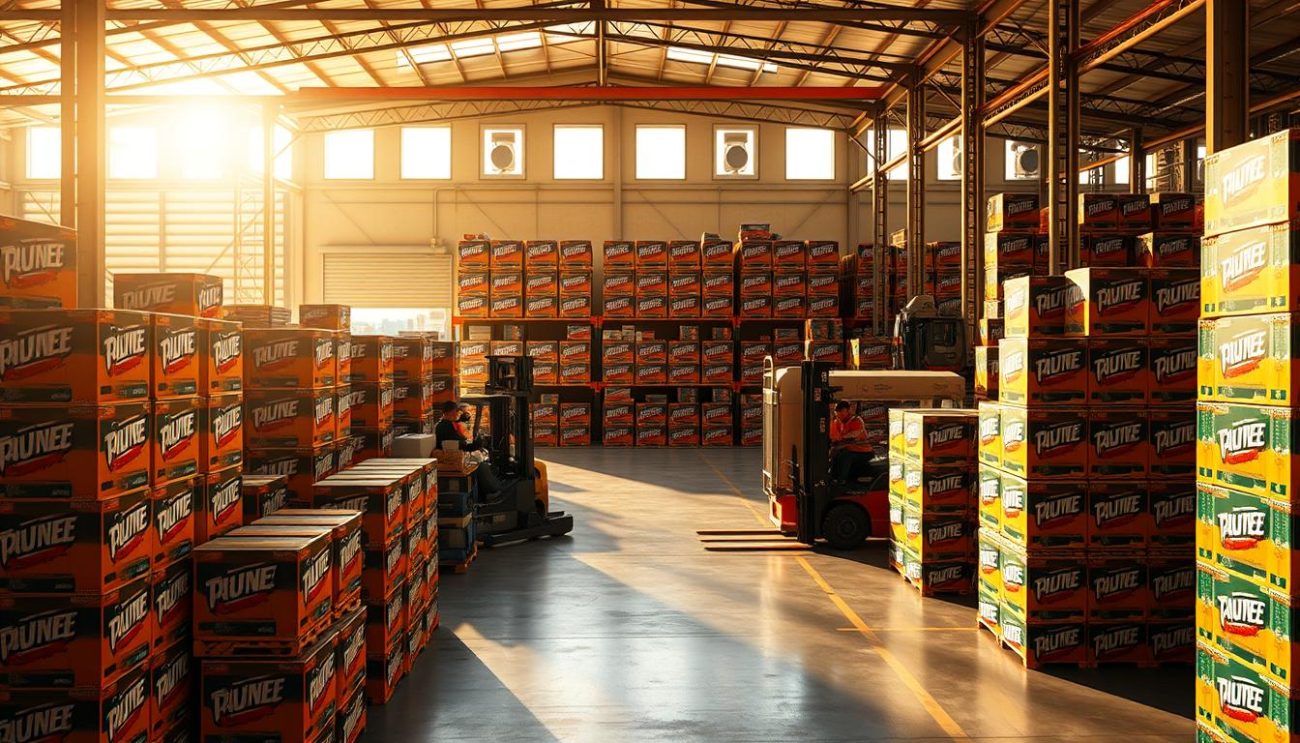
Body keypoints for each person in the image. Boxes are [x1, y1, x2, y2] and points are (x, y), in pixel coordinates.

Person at [435, 400, 502, 496]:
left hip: (456, 454)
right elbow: (458, 444)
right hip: (453, 457)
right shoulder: (445, 427)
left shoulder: (447, 424)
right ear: (449, 412)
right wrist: (474, 445)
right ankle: (492, 490)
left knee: (483, 461)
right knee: (481, 465)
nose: (457, 414)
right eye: (455, 411)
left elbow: (459, 441)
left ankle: (491, 487)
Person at [829, 401, 873, 484]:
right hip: (849, 449)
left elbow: (853, 435)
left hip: (863, 451)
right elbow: (833, 435)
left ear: (848, 411)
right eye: (838, 412)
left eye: (842, 412)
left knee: (845, 456)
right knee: (835, 454)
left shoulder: (856, 420)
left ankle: (842, 481)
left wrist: (839, 440)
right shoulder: (838, 421)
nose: (840, 415)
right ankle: (832, 478)